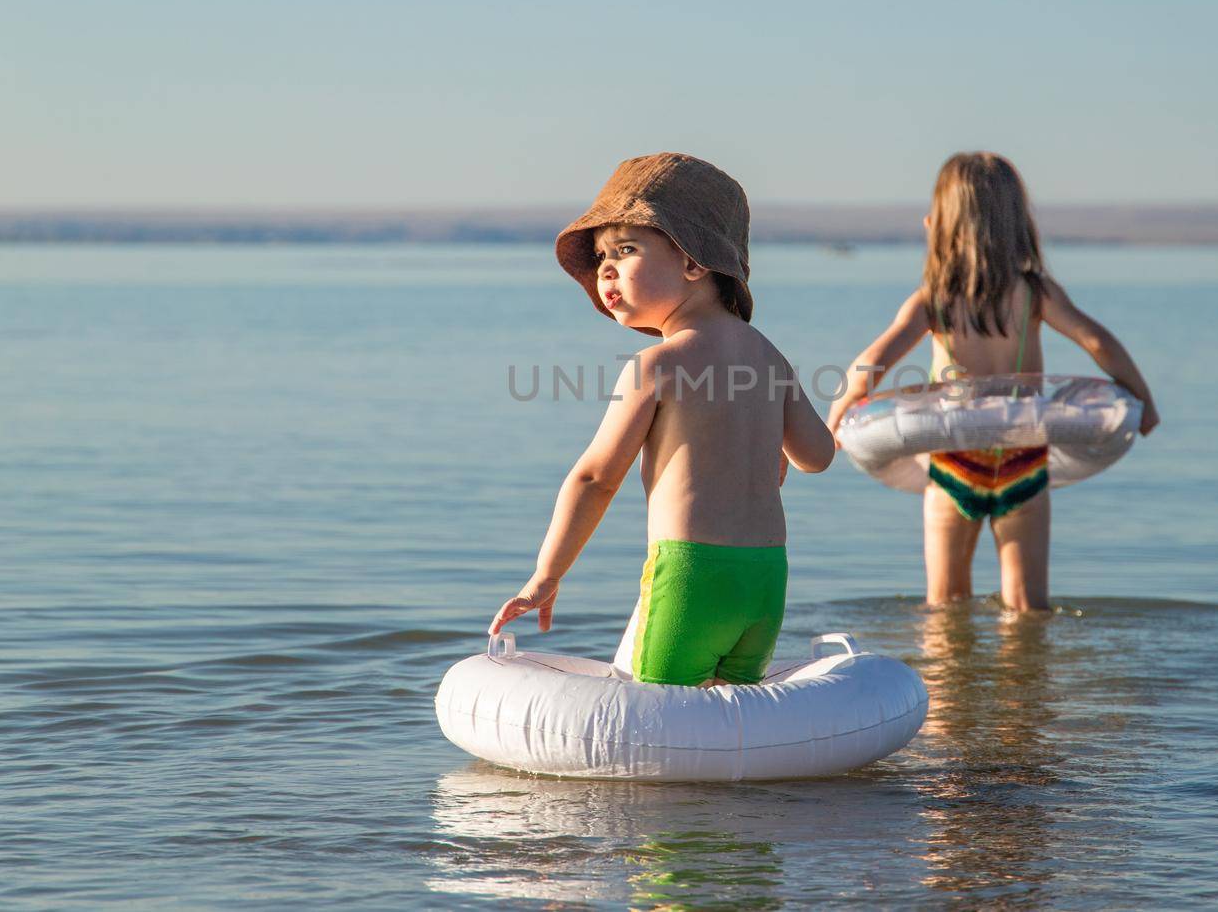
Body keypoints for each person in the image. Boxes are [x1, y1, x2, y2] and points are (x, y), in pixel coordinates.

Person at [489, 152, 836, 685]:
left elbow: (596, 477)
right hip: (765, 580)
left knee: (655, 728)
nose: (605, 269)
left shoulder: (656, 364)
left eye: (625, 250)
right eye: (602, 255)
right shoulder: (769, 357)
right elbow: (817, 456)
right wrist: (765, 445)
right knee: (729, 733)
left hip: (691, 575)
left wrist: (546, 575)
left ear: (694, 262)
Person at [826, 152, 1159, 612]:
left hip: (953, 460)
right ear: (1017, 223)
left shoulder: (935, 299)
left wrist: (835, 422)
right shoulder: (1035, 293)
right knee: (1027, 607)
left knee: (944, 606)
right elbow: (1097, 341)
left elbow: (873, 361)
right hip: (1022, 456)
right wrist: (1144, 401)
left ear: (938, 224)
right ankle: (1020, 684)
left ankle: (952, 686)